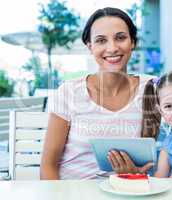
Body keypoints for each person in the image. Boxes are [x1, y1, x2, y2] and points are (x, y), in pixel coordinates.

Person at [40, 7, 154, 180]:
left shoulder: (152, 89)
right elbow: (48, 166)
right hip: (73, 193)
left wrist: (136, 175)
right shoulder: (69, 92)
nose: (112, 48)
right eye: (101, 40)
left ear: (133, 42)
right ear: (90, 47)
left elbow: (171, 152)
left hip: (130, 191)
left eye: (120, 38)